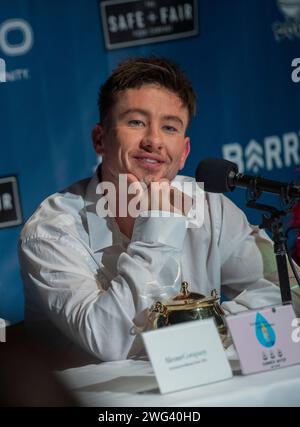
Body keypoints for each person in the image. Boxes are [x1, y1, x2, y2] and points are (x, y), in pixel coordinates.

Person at [19, 56, 281, 363]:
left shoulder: (209, 207)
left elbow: (285, 289)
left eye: (169, 127)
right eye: (136, 122)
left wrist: (211, 325)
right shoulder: (51, 232)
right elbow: (110, 342)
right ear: (100, 139)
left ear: (183, 153)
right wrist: (158, 227)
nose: (154, 141)